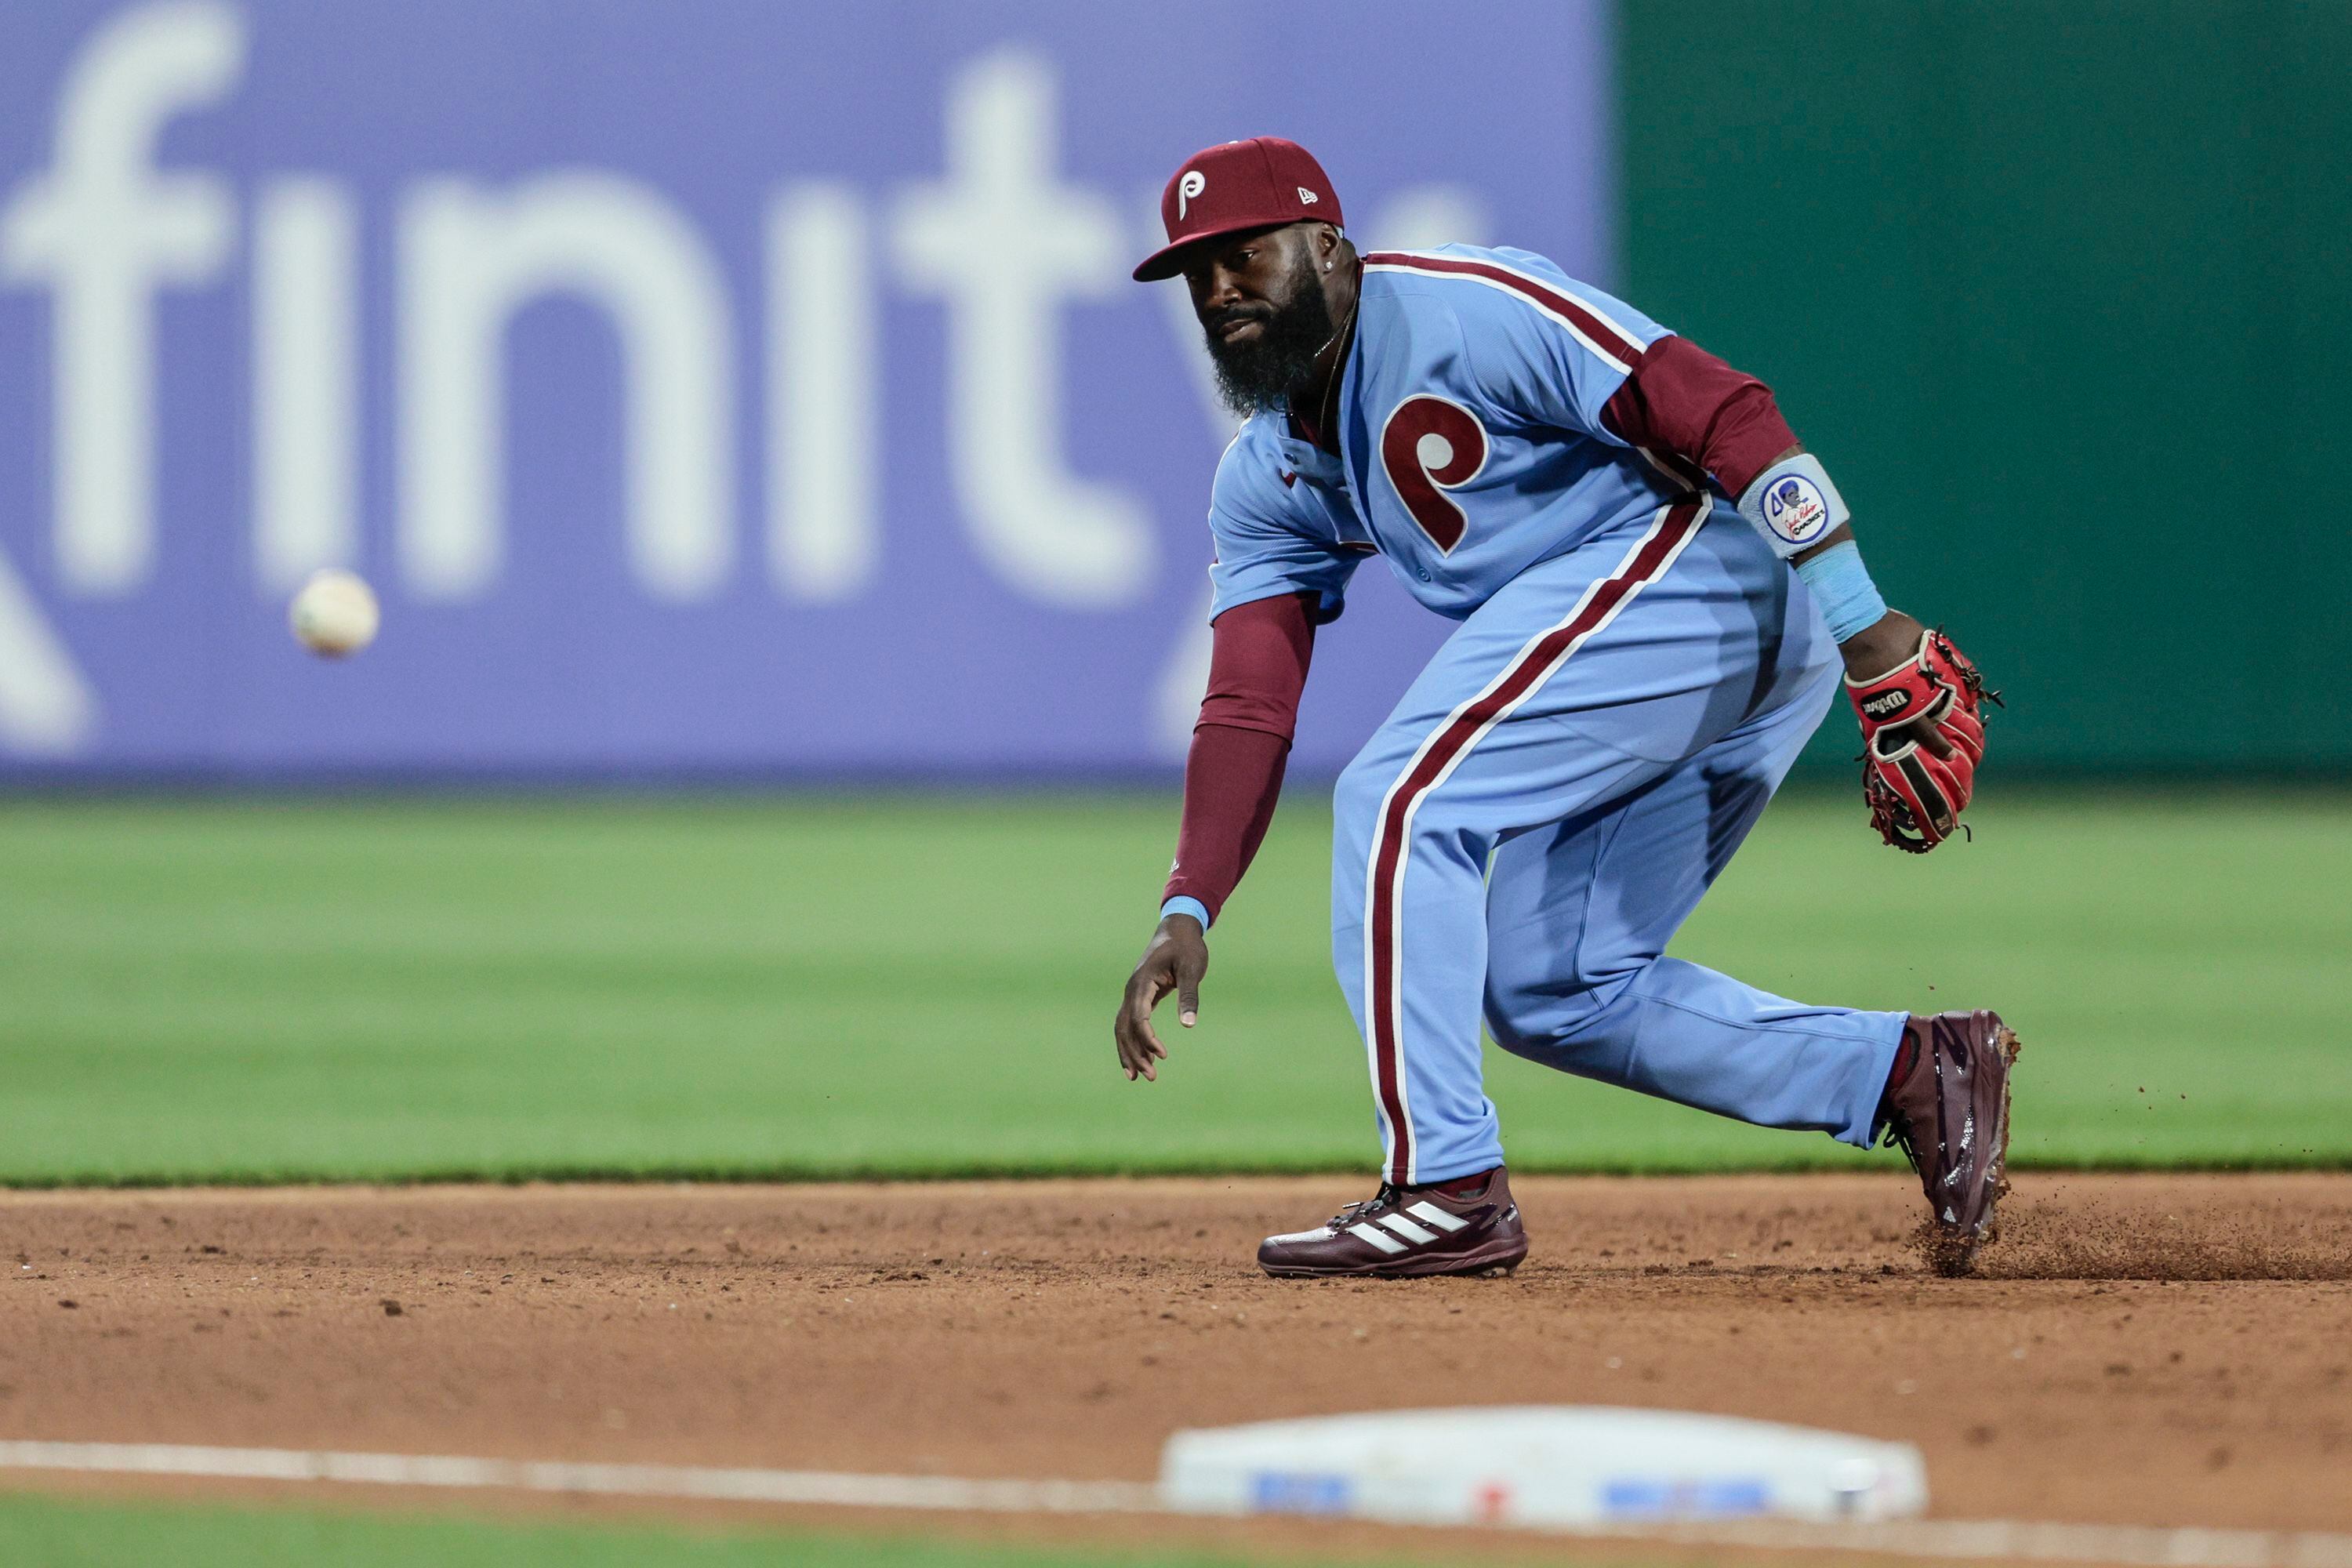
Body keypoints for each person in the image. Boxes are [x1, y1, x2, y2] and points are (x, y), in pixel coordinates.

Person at [1113, 137, 2014, 1280]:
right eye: (1198, 274)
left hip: (1701, 570)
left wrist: (1860, 613)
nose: (1222, 289)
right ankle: (1904, 1071)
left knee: (1401, 802)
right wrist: (1190, 898)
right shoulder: (1264, 476)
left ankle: (1443, 1186)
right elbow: (1248, 699)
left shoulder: (1463, 311)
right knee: (1553, 987)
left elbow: (1716, 405)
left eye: (1247, 254)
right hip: (1662, 646)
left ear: (1330, 249)